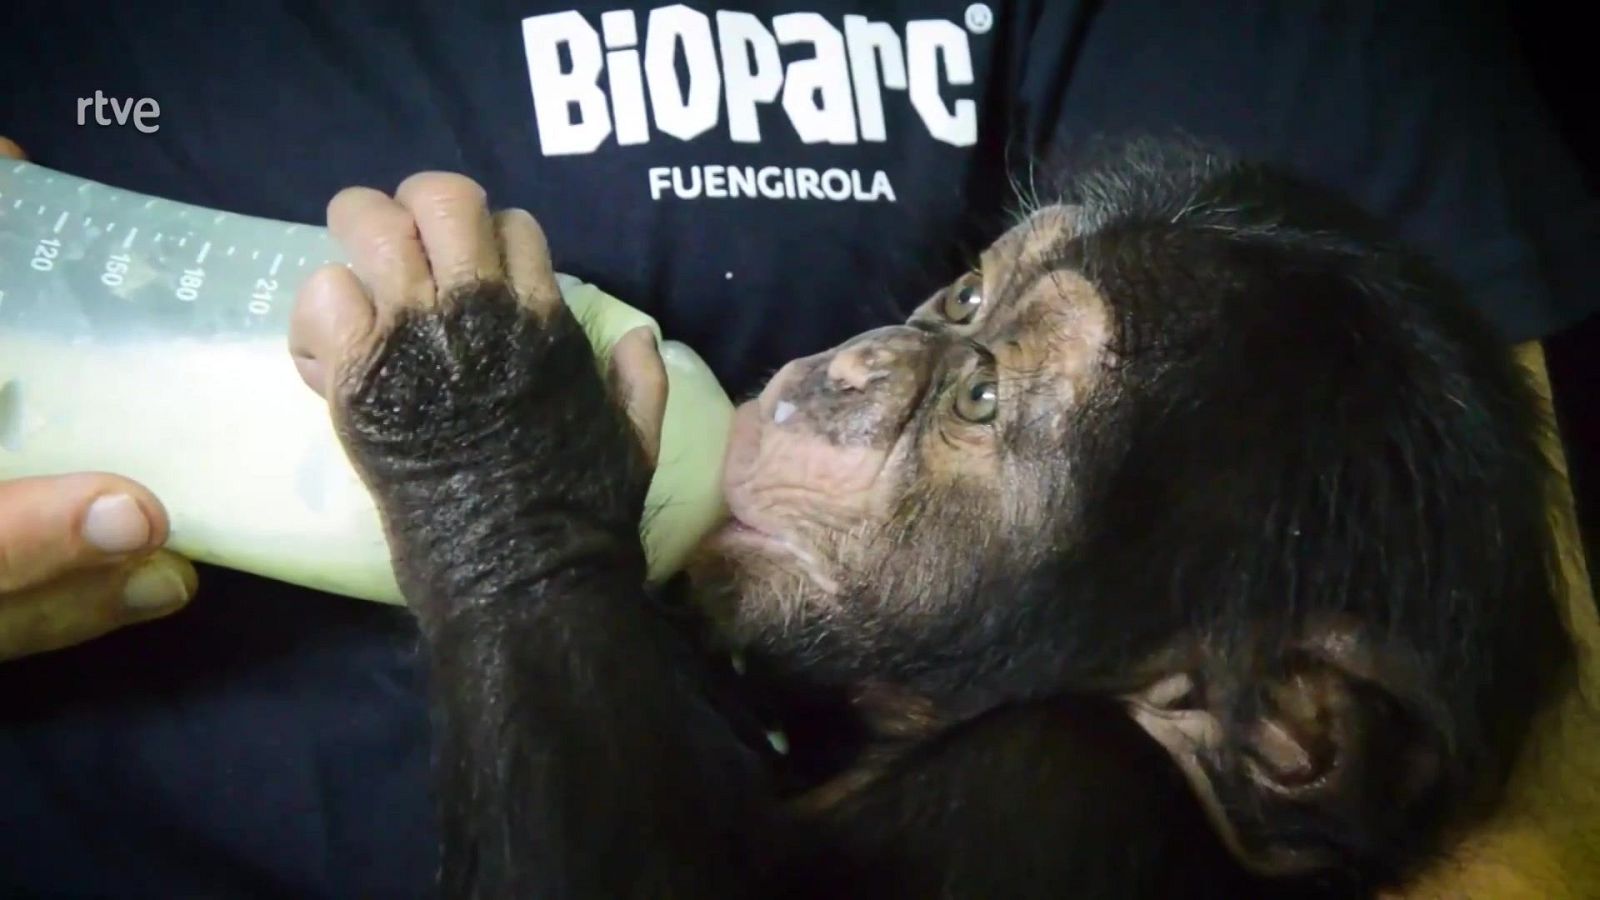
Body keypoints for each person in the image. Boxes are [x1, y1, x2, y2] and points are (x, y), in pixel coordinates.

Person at [1, 2, 1596, 896]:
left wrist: (511, 534)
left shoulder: (1097, 793)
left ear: (1269, 722)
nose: (853, 364)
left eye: (980, 397)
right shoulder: (1016, 734)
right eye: (965, 295)